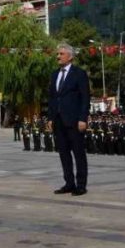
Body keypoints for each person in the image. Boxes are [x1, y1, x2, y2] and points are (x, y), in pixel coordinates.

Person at [48, 43, 90, 197]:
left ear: (70, 56)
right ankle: (69, 183)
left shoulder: (79, 73)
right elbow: (52, 98)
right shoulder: (54, 74)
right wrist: (50, 117)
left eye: (61, 54)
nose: (58, 56)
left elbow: (85, 97)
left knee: (78, 153)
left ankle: (81, 185)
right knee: (63, 153)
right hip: (58, 121)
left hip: (74, 120)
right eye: (57, 54)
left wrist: (83, 118)